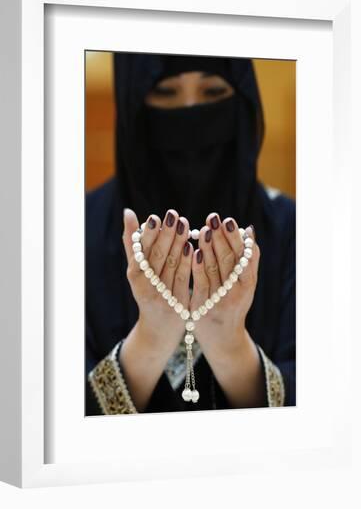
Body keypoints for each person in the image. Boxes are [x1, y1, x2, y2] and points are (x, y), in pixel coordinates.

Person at [85, 52, 295, 415]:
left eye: (213, 91)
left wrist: (230, 345)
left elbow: (330, 408)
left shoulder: (292, 230)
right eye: (165, 93)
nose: (191, 111)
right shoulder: (74, 230)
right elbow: (43, 415)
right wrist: (151, 337)